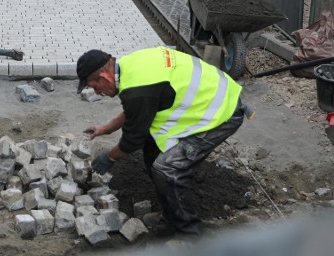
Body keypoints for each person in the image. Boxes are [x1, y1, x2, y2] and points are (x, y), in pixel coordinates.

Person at [77, 47, 247, 236]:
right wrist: (106, 128)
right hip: (207, 100)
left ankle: (189, 235)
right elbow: (140, 107)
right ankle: (170, 215)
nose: (97, 92)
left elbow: (132, 141)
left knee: (167, 169)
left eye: (93, 86)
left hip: (221, 112)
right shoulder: (130, 67)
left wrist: (109, 157)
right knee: (152, 148)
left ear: (104, 77)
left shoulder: (137, 89)